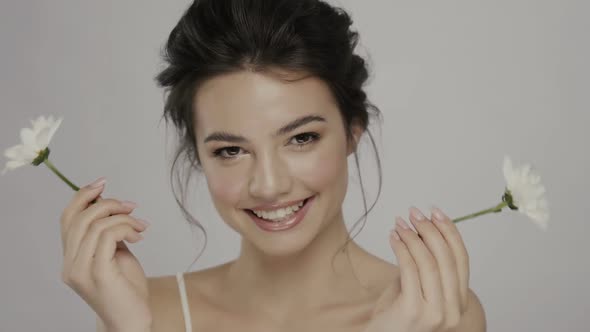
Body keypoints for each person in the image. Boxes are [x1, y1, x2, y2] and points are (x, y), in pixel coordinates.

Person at [59, 0, 486, 331]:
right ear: (198, 155)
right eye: (230, 150)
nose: (268, 185)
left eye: (301, 138)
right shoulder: (146, 314)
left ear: (353, 129)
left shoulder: (435, 312)